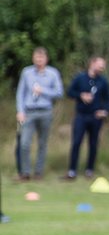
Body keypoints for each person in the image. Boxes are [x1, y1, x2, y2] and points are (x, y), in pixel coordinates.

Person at [15, 47, 64, 181]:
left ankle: (38, 173)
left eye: (41, 58)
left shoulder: (53, 73)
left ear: (46, 59)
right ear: (33, 58)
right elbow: (21, 93)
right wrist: (20, 111)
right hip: (28, 112)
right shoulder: (27, 72)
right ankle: (25, 173)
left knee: (42, 143)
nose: (38, 60)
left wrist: (43, 91)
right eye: (36, 57)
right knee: (24, 143)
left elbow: (59, 93)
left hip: (45, 111)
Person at [64, 55, 109, 180]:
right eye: (100, 65)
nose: (102, 68)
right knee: (76, 142)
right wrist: (81, 95)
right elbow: (69, 92)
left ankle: (89, 170)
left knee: (93, 144)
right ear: (92, 63)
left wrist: (105, 111)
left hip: (96, 117)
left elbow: (108, 100)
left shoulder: (103, 81)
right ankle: (72, 171)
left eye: (103, 66)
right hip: (81, 116)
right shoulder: (80, 78)